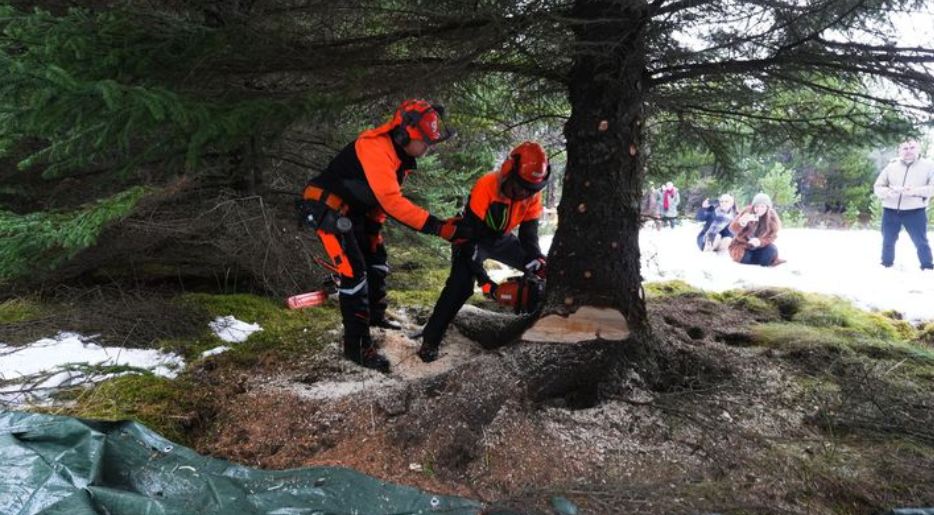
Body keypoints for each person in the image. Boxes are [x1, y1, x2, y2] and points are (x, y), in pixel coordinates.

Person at [299, 99, 469, 372]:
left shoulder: (399, 157)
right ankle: (356, 347)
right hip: (325, 207)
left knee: (376, 259)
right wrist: (437, 226)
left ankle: (375, 318)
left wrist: (374, 231)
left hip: (352, 211)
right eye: (426, 142)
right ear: (406, 133)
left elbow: (377, 202)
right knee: (354, 273)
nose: (428, 148)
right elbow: (392, 201)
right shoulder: (375, 147)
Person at [416, 141, 550, 363]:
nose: (523, 194)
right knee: (460, 286)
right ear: (508, 172)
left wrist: (535, 259)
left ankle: (539, 326)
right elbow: (470, 243)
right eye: (519, 187)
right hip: (471, 236)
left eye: (529, 190)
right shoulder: (487, 185)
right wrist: (486, 282)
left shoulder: (532, 195)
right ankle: (430, 339)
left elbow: (529, 235)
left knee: (542, 270)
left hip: (502, 239)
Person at [873, 139, 934, 270]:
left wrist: (914, 191)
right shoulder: (891, 166)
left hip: (915, 210)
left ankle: (927, 266)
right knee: (888, 241)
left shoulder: (929, 166)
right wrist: (889, 192)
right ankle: (886, 265)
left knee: (921, 242)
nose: (908, 151)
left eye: (912, 147)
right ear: (899, 150)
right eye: (905, 148)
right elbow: (877, 187)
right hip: (891, 210)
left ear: (918, 149)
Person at [729, 193, 783, 266]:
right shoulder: (747, 212)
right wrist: (740, 223)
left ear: (767, 207)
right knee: (744, 258)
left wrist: (760, 242)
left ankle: (757, 258)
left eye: (762, 206)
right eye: (757, 206)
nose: (759, 209)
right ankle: (752, 258)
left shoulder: (772, 217)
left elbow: (772, 236)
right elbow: (732, 229)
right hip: (743, 245)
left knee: (771, 252)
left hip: (761, 246)